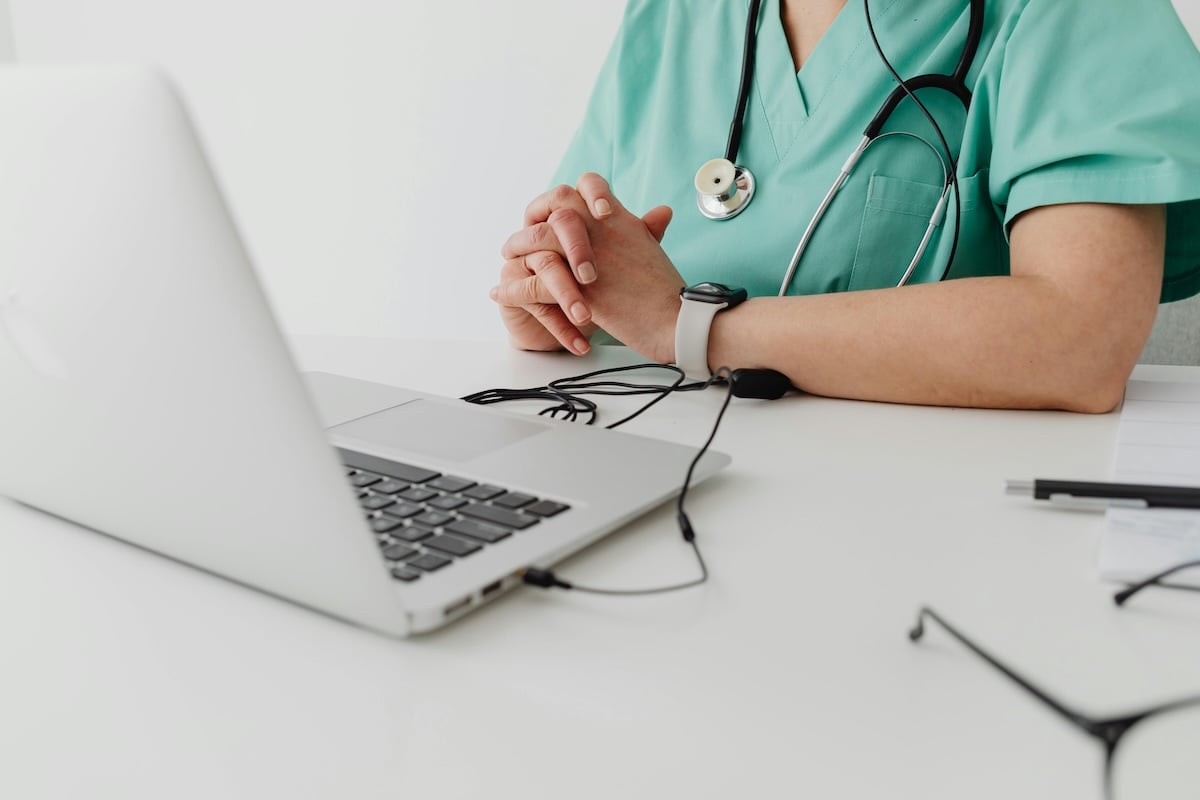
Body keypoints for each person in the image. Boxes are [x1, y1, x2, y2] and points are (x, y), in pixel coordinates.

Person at [489, 0, 1200, 412]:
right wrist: (558, 303)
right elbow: (599, 261)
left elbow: (1078, 341)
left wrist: (688, 326)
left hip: (931, 539)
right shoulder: (677, 14)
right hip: (653, 498)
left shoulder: (1076, 13)